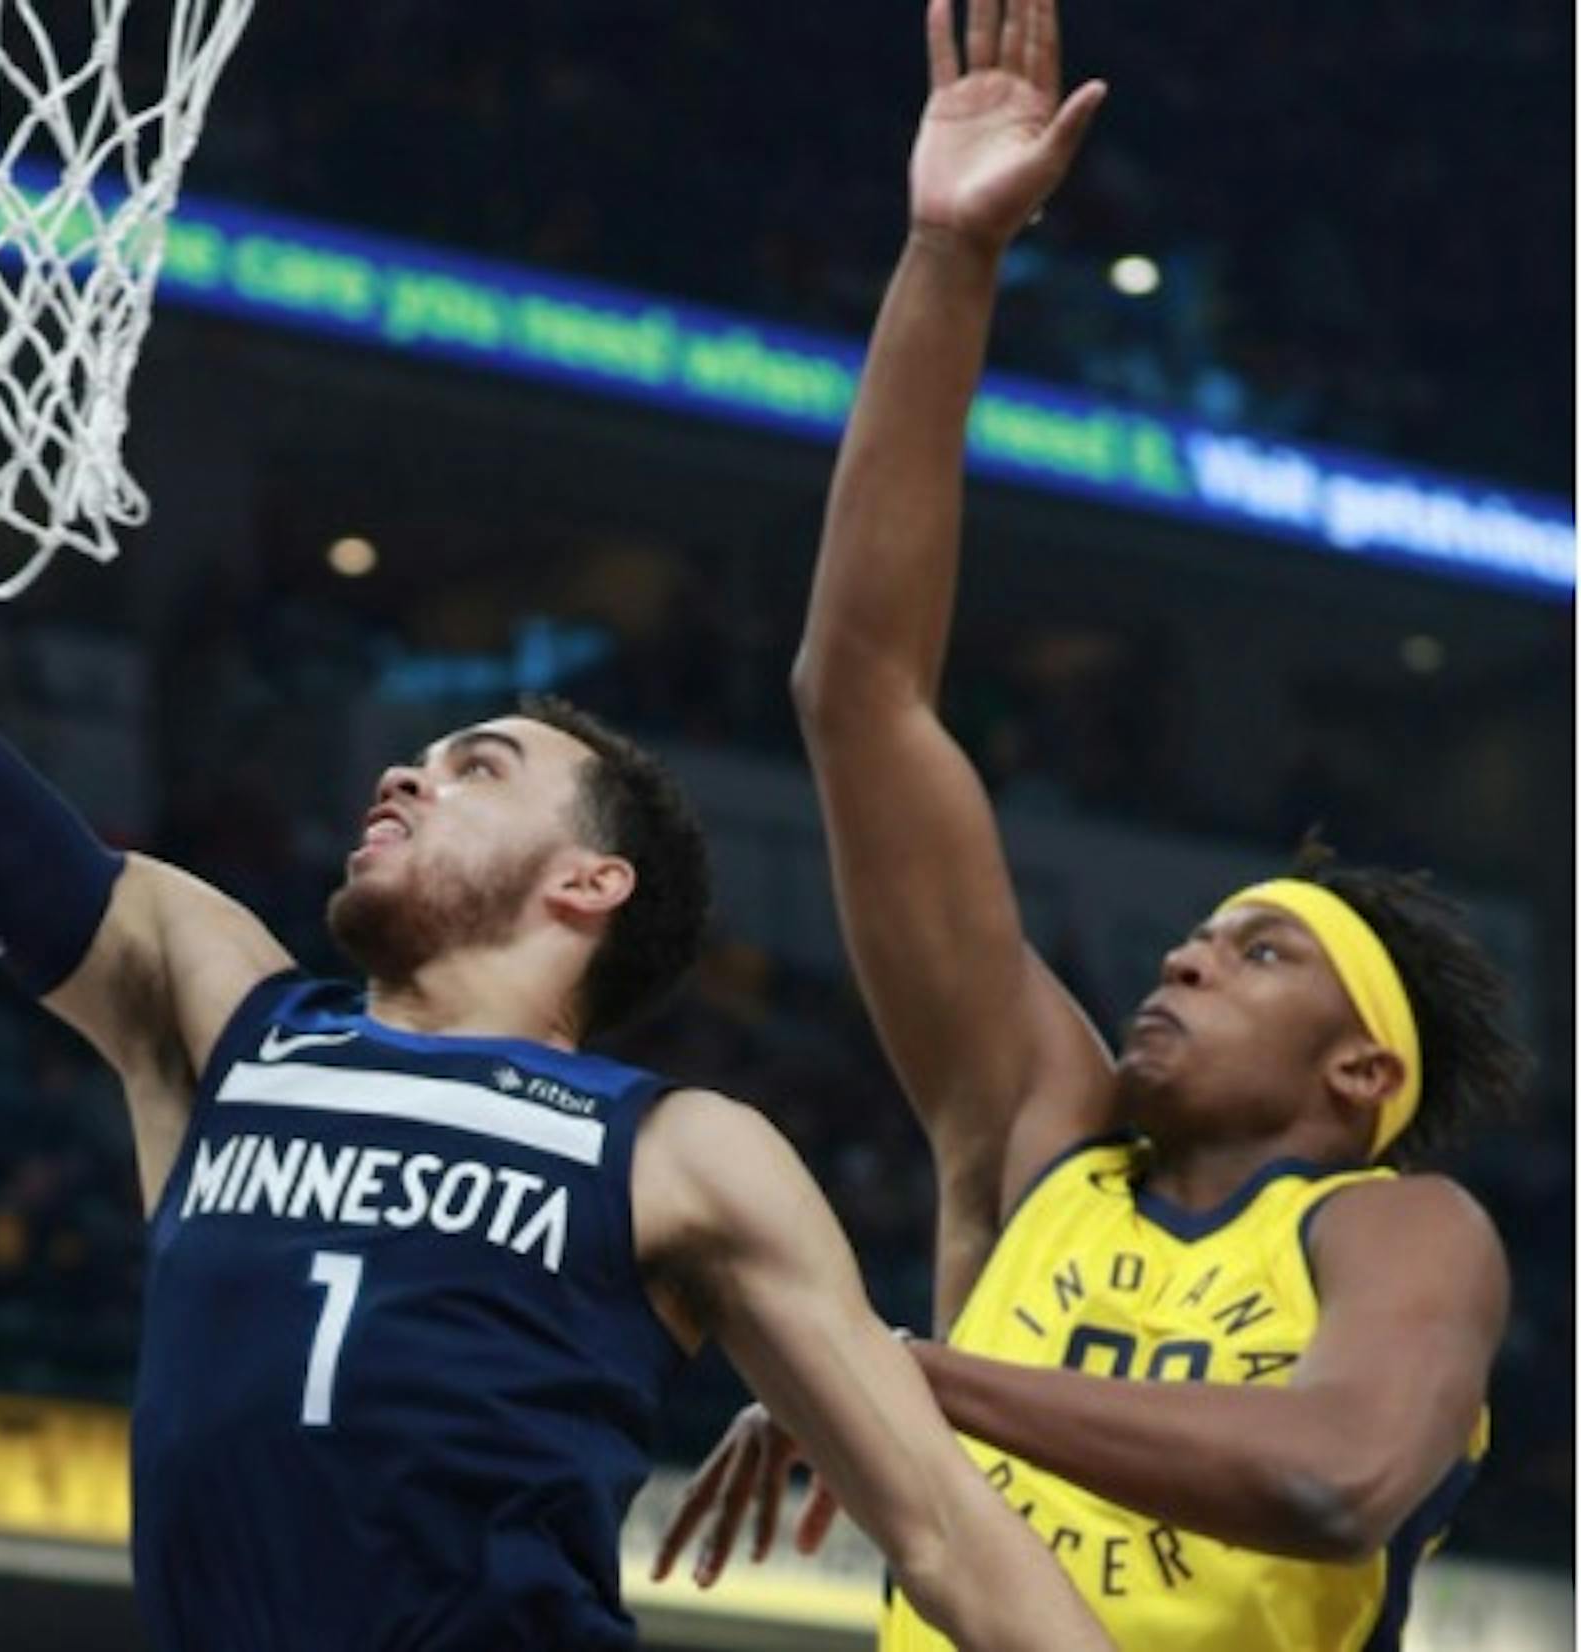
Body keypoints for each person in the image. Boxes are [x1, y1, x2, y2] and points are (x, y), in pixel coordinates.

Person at [0, 183, 1111, 1652]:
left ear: (589, 882)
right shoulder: (229, 1014)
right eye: (419, 757)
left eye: (478, 767)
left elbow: (944, 1532)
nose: (405, 776)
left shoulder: (680, 1151)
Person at [653, 1, 1530, 1647]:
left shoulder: (1396, 1228)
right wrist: (950, 258)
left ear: (1363, 1075)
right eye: (1196, 940)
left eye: (1258, 955)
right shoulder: (1039, 1142)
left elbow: (1335, 1478)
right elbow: (863, 694)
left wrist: (902, 1377)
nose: (1183, 962)